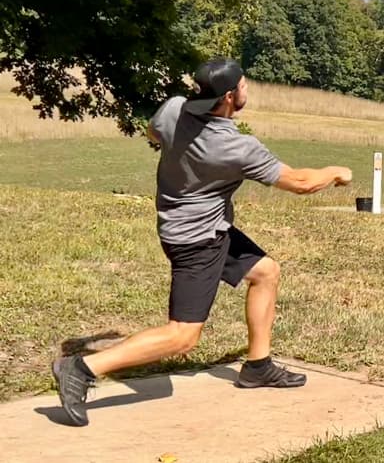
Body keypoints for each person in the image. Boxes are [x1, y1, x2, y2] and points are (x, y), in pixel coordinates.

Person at [51, 57, 353, 427]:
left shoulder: (173, 109)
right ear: (229, 96)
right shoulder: (237, 147)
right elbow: (301, 183)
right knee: (183, 336)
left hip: (200, 227)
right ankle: (81, 368)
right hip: (197, 240)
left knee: (265, 272)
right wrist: (335, 172)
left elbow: (152, 133)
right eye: (243, 85)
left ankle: (257, 366)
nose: (247, 89)